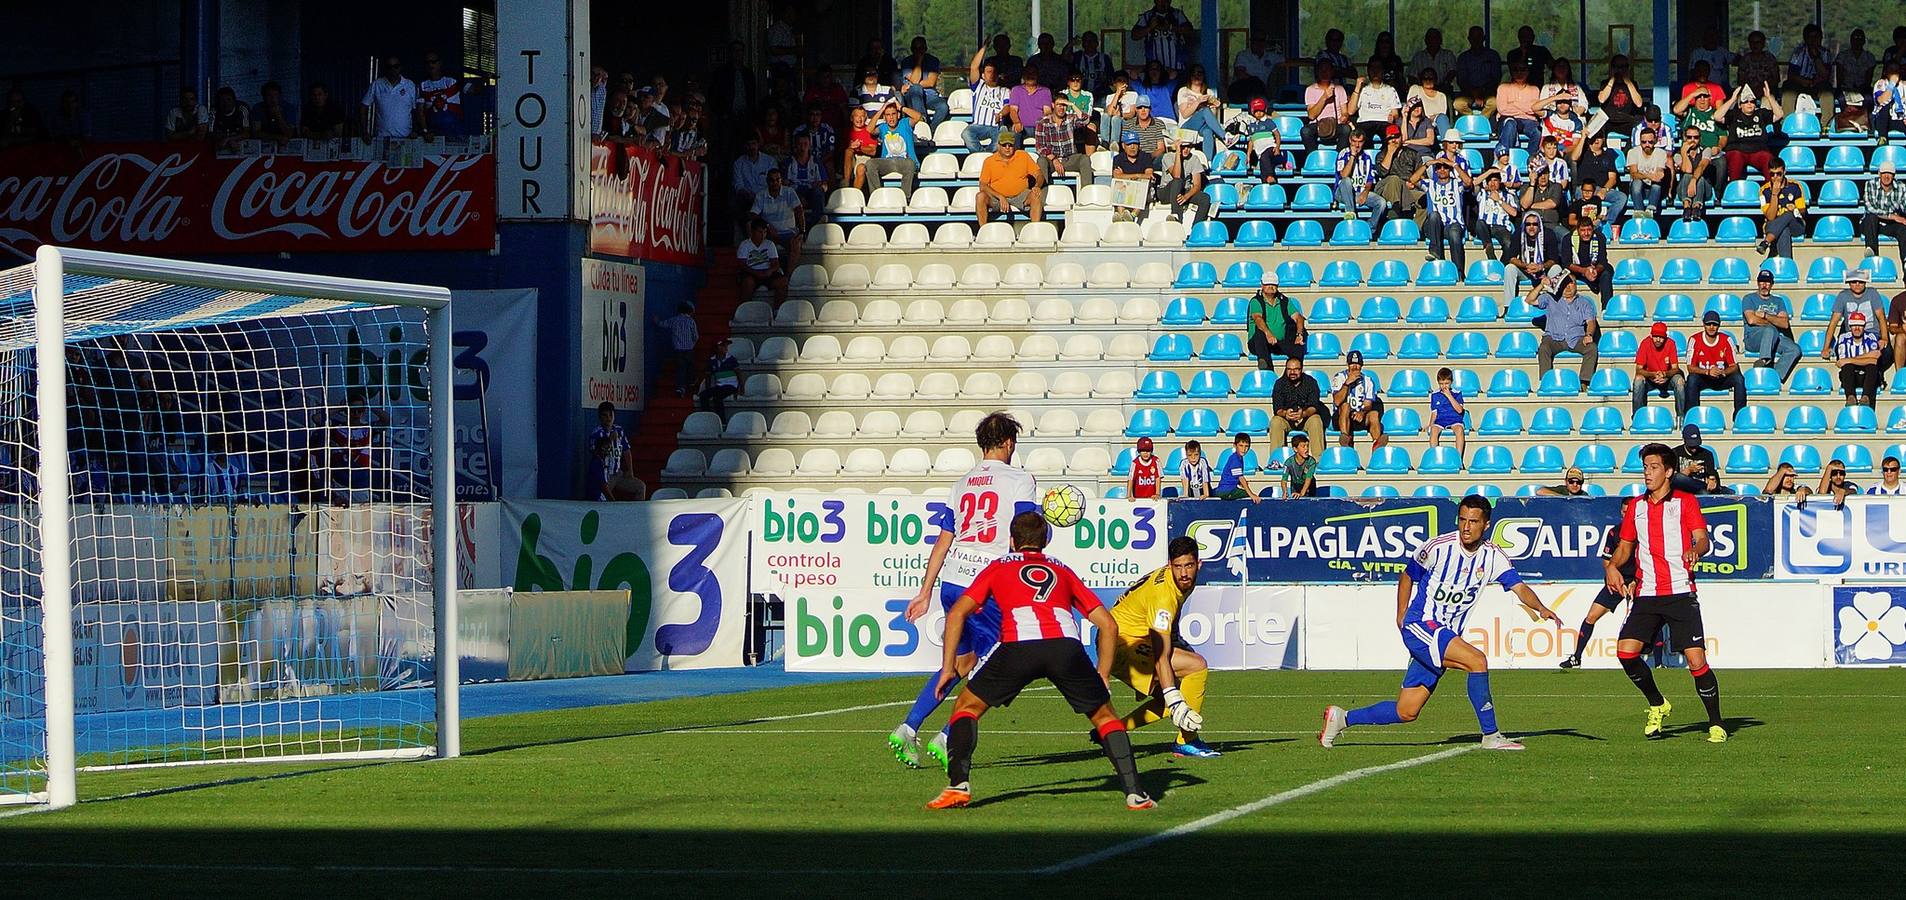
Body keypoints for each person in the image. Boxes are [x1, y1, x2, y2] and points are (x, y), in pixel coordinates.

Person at [927, 512, 1153, 811]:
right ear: (1045, 540)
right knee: (1104, 717)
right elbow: (1108, 625)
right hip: (1065, 648)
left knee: (966, 707)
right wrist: (1103, 673)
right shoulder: (1062, 569)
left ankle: (958, 786)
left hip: (1018, 646)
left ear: (1011, 541)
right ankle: (1135, 793)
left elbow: (957, 613)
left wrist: (947, 668)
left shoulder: (998, 567)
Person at [1320, 495, 1564, 751]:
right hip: (1421, 624)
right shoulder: (1438, 547)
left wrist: (1541, 608)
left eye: (1473, 522)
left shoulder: (1493, 556)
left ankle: (1342, 718)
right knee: (1477, 661)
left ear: (1486, 525)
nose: (1466, 527)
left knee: (1407, 710)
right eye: (1462, 520)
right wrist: (1401, 614)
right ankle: (1491, 735)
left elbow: (1519, 587)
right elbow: (1408, 575)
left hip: (1443, 634)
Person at [892, 413, 1040, 770]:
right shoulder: (1020, 480)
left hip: (954, 580)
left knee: (961, 664)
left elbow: (944, 541)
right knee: (1002, 666)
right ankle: (947, 736)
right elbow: (1022, 533)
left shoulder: (961, 483)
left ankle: (908, 727)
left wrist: (925, 591)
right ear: (1009, 442)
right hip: (987, 585)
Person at [1603, 443, 1728, 743]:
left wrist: (1696, 550)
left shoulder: (1685, 502)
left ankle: (1716, 723)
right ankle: (1657, 704)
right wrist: (1611, 567)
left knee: (1696, 661)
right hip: (1647, 593)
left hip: (1680, 591)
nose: (1647, 473)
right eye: (1645, 468)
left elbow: (1702, 539)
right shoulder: (1636, 507)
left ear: (1669, 471)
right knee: (1626, 652)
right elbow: (1625, 548)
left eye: (1654, 467)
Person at [1105, 537, 1217, 757]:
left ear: (1199, 564)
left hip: (1128, 639)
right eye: (1178, 566)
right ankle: (1187, 741)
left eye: (1189, 565)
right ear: (1169, 565)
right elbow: (1160, 655)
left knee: (1176, 695)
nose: (1183, 573)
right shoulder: (1163, 597)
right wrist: (1174, 698)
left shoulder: (1178, 582)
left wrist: (1172, 695)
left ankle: (1111, 733)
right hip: (1121, 644)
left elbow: (1169, 628)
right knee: (1197, 667)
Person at [1560, 526, 1636, 668]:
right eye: (1623, 514)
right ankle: (1576, 657)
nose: (1625, 515)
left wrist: (1635, 581)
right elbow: (1607, 560)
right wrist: (1612, 579)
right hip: (1616, 582)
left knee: (1648, 616)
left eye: (1628, 513)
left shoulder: (1642, 529)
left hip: (1638, 581)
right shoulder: (1614, 532)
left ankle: (1659, 663)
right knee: (1591, 616)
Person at [1411, 136, 1472, 271]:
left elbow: (1468, 182)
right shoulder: (1430, 184)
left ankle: (1458, 271)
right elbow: (1413, 180)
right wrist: (1428, 164)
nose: (1442, 170)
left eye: (1445, 167)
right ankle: (1436, 253)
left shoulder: (1457, 184)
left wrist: (1454, 165)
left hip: (1453, 224)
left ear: (1450, 170)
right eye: (1439, 167)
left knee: (1454, 235)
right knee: (1433, 215)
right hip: (1435, 226)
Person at [1531, 274, 1600, 383]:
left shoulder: (1584, 303)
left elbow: (1591, 322)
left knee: (1592, 348)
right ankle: (1546, 381)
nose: (1567, 287)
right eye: (1564, 284)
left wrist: (1589, 335)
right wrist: (1541, 285)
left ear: (1576, 285)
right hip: (1554, 338)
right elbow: (1530, 300)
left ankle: (1584, 381)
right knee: (1544, 348)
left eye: (1571, 283)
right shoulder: (1550, 298)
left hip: (1576, 338)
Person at [1684, 311, 1747, 415]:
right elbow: (1690, 367)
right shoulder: (1694, 340)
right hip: (1704, 378)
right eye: (1708, 324)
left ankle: (1740, 415)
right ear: (1703, 324)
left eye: (1715, 324)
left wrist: (1723, 372)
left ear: (1719, 325)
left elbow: (1734, 366)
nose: (1711, 327)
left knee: (1739, 379)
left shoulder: (1727, 340)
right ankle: (1692, 415)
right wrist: (1708, 372)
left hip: (1721, 377)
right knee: (1692, 379)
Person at [1743, 269, 1802, 381]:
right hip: (1753, 338)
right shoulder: (1749, 298)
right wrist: (1774, 321)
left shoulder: (1778, 301)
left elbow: (1784, 324)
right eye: (1762, 282)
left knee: (1795, 349)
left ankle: (1775, 378)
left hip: (1774, 337)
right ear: (1758, 283)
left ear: (1772, 284)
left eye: (1767, 282)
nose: (1764, 285)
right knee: (1770, 329)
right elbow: (1751, 320)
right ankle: (1764, 361)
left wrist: (1765, 315)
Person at [975, 133, 1043, 226]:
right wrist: (1000, 196)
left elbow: (1039, 174)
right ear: (998, 146)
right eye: (1004, 145)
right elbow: (983, 185)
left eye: (1010, 145)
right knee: (980, 197)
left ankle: (1035, 229)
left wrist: (1037, 186)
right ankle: (983, 229)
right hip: (996, 198)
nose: (1007, 148)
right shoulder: (989, 161)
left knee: (1036, 195)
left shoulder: (1023, 156)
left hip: (1020, 195)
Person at [1718, 83, 1780, 183]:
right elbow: (1717, 116)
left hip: (1758, 151)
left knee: (1768, 158)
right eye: (1746, 101)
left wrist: (1769, 97)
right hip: (1738, 150)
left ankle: (1771, 188)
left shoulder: (1761, 113)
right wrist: (1732, 99)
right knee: (1736, 157)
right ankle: (1734, 187)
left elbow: (1779, 115)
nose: (1749, 104)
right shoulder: (1734, 114)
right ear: (1740, 105)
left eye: (1752, 101)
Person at [1331, 350, 1387, 449]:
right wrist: (1347, 383)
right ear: (1348, 365)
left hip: (1359, 417)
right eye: (1352, 364)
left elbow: (1368, 404)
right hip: (1342, 417)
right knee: (1345, 406)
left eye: (1357, 364)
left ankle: (1377, 444)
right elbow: (1337, 401)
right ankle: (1345, 438)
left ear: (1361, 365)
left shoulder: (1368, 381)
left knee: (1374, 414)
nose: (1355, 367)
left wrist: (1362, 412)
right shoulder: (1339, 378)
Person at [1570, 130, 1627, 226]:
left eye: (1599, 137)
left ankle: (1607, 223)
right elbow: (1574, 157)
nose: (1596, 140)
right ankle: (1585, 224)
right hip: (1584, 188)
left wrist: (1604, 189)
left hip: (1601, 188)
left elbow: (1612, 178)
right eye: (1594, 137)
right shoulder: (1583, 152)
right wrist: (1583, 137)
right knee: (1581, 195)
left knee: (1622, 197)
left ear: (1603, 139)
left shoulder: (1608, 155)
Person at [588, 402, 642, 501]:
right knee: (602, 499)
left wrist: (630, 471)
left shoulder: (619, 430)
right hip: (606, 475)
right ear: (600, 417)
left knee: (640, 487)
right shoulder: (596, 433)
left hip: (618, 473)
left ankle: (637, 511)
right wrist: (610, 439)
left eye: (611, 415)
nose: (608, 418)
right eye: (605, 415)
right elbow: (596, 453)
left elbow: (626, 451)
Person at [866, 101, 921, 198]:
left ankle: (905, 198)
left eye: (893, 114)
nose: (891, 117)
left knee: (910, 164)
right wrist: (881, 110)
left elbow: (918, 116)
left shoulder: (905, 123)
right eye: (888, 115)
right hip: (887, 161)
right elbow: (869, 129)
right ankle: (877, 196)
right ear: (884, 117)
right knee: (870, 164)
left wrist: (901, 108)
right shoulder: (883, 127)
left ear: (898, 115)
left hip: (905, 161)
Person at [1031, 100, 1089, 190]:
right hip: (1051, 160)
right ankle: (1042, 193)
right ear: (1053, 105)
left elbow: (1085, 120)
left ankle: (1086, 193)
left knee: (1084, 159)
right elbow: (1040, 147)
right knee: (1041, 161)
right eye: (1059, 105)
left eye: (1064, 105)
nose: (1061, 108)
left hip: (1069, 158)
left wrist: (1072, 105)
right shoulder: (1042, 122)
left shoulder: (1070, 119)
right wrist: (1054, 159)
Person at [1334, 129, 1387, 227]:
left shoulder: (1367, 157)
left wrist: (1365, 192)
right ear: (1350, 140)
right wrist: (1352, 156)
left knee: (1381, 203)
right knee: (1347, 181)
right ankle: (1351, 215)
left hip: (1358, 193)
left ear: (1364, 142)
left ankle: (1370, 229)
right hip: (1342, 192)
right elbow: (1344, 175)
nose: (1357, 145)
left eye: (1360, 142)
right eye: (1354, 141)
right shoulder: (1343, 153)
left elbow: (1370, 180)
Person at [1269, 357, 1324, 451]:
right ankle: (1277, 458)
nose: (1292, 372)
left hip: (1306, 419)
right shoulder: (1279, 384)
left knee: (1316, 420)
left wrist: (1303, 414)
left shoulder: (1311, 382)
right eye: (1289, 369)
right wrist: (1286, 413)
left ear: (1301, 369)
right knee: (1275, 421)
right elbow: (1277, 409)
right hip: (1287, 420)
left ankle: (1318, 458)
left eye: (1295, 369)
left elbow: (1314, 406)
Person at [964, 45, 1012, 152]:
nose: (992, 75)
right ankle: (982, 154)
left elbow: (1007, 106)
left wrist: (1001, 114)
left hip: (996, 126)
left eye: (994, 72)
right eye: (989, 72)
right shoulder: (978, 86)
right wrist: (984, 47)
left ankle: (989, 155)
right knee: (966, 133)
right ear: (983, 75)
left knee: (1002, 136)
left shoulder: (1005, 91)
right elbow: (974, 67)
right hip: (978, 126)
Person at [1833, 311, 1885, 407]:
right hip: (1851, 376)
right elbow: (1842, 363)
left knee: (1872, 367)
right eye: (1854, 325)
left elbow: (1874, 359)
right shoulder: (1843, 338)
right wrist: (1867, 357)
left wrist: (1850, 360)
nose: (1857, 328)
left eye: (1860, 325)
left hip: (1868, 376)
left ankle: (1866, 397)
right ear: (1850, 327)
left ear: (1864, 326)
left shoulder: (1871, 337)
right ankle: (1850, 397)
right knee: (1847, 367)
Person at [1633, 321, 1686, 415]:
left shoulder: (1670, 343)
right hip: (1650, 379)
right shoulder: (1645, 343)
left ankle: (1681, 417)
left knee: (1679, 381)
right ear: (1651, 336)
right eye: (1655, 336)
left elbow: (1675, 368)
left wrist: (1665, 375)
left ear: (1665, 337)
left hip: (1667, 378)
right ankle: (1637, 416)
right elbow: (1639, 369)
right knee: (1638, 380)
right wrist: (1652, 375)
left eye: (1661, 337)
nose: (1658, 340)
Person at [1782, 23, 1836, 114]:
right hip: (1800, 83)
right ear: (1805, 39)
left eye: (1816, 37)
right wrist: (1805, 81)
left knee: (1827, 94)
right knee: (1788, 91)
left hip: (1818, 84)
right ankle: (1787, 120)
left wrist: (1816, 57)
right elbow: (1791, 75)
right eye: (1810, 37)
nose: (1813, 40)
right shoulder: (1798, 53)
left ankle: (1826, 122)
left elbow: (1825, 75)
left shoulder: (1825, 53)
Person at [361, 56, 420, 138]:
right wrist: (364, 132)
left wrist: (415, 131)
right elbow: (363, 107)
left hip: (406, 139)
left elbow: (416, 111)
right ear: (385, 68)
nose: (393, 70)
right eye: (389, 67)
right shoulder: (377, 84)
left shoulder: (410, 85)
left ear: (400, 67)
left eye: (396, 66)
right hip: (382, 139)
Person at [1758, 159, 1806, 259]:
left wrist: (1795, 209)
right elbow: (1770, 217)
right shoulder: (1764, 190)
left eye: (1778, 174)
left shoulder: (1795, 186)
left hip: (1796, 224)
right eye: (1772, 174)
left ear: (1784, 172)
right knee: (1784, 230)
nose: (1775, 177)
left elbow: (1802, 211)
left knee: (1788, 214)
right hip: (1772, 226)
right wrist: (1774, 194)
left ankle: (1766, 242)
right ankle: (1787, 264)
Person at [895, 37, 948, 128]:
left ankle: (930, 130)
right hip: (912, 95)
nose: (918, 51)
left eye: (921, 48)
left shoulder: (933, 61)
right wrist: (919, 62)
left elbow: (931, 82)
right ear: (912, 49)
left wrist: (910, 85)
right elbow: (915, 81)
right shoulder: (906, 62)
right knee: (916, 89)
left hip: (929, 96)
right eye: (915, 48)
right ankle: (922, 121)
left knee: (943, 107)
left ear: (925, 48)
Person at [1161, 134, 1213, 223]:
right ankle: (1175, 214)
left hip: (1184, 191)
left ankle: (1196, 227)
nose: (1186, 149)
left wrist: (1186, 197)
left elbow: (1197, 185)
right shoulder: (1168, 157)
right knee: (1177, 181)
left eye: (1188, 147)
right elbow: (1176, 175)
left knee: (1205, 198)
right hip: (1167, 192)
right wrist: (1178, 153)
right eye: (1183, 147)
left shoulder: (1194, 159)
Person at [736, 218, 789, 305]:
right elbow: (742, 265)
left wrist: (770, 271)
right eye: (760, 232)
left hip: (767, 273)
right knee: (748, 282)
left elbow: (776, 264)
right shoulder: (745, 245)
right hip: (751, 273)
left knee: (783, 282)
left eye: (765, 232)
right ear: (753, 232)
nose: (763, 235)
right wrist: (756, 272)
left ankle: (777, 309)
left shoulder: (770, 244)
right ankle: (745, 307)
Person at [651, 302, 699, 397]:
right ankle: (691, 381)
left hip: (678, 350)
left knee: (681, 369)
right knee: (690, 366)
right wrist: (692, 344)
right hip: (689, 349)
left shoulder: (674, 320)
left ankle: (680, 388)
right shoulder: (691, 321)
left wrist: (656, 320)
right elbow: (696, 336)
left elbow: (662, 324)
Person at [1174, 70, 1225, 159]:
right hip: (1187, 125)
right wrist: (1198, 102)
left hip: (1203, 126)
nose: (1197, 76)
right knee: (1204, 110)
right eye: (1194, 74)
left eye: (1199, 73)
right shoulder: (1184, 91)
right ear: (1190, 76)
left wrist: (1213, 107)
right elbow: (1185, 114)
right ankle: (1225, 137)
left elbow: (1212, 119)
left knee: (1208, 131)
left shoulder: (1209, 92)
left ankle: (1207, 161)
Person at [1863, 162, 1906, 266]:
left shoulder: (1901, 187)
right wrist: (1891, 216)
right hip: (1873, 223)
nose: (1886, 176)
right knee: (1871, 217)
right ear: (1879, 174)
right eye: (1884, 173)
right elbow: (1870, 208)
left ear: (1894, 175)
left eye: (1889, 173)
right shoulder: (1870, 184)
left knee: (1903, 227)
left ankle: (1905, 260)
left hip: (1891, 224)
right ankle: (1872, 253)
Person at [1452, 26, 1501, 117]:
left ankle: (1482, 121)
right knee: (1458, 104)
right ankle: (1472, 120)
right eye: (1473, 38)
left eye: (1479, 37)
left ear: (1484, 38)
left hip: (1488, 94)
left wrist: (1482, 92)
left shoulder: (1493, 56)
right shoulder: (1463, 57)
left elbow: (1496, 78)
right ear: (1469, 39)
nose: (1476, 40)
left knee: (1494, 103)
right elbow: (1461, 80)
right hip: (1468, 94)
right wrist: (1474, 93)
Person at [1133, 0, 1193, 74]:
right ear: (1155, 1)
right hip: (1155, 70)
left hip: (1177, 67)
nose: (1163, 2)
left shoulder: (1177, 14)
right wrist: (1150, 27)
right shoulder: (1148, 16)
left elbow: (1190, 31)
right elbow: (1134, 35)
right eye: (1160, 0)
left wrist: (1170, 27)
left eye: (1166, 0)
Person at [1495, 63, 1543, 157]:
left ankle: (1529, 159)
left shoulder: (1534, 89)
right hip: (1508, 119)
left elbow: (1534, 109)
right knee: (1510, 124)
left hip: (1528, 121)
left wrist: (1513, 104)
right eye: (1516, 70)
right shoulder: (1503, 88)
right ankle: (1505, 158)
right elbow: (1502, 109)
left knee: (1538, 132)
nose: (1519, 73)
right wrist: (1526, 108)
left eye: (1522, 70)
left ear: (1527, 72)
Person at [1563, 216, 1612, 305]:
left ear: (1593, 229)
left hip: (1594, 268)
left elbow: (1603, 261)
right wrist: (1584, 271)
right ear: (1577, 230)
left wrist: (1595, 271)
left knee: (1606, 273)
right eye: (1582, 230)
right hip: (1577, 270)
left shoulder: (1600, 237)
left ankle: (1606, 307)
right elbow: (1567, 263)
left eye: (1589, 230)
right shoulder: (1568, 238)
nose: (1586, 233)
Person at [1302, 61, 1349, 152]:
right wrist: (1324, 97)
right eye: (1321, 69)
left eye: (1327, 69)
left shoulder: (1339, 89)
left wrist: (1344, 117)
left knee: (1346, 129)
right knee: (1305, 131)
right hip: (1318, 124)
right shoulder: (1310, 89)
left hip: (1336, 123)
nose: (1324, 72)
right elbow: (1311, 116)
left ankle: (1340, 156)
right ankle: (1313, 156)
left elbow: (1345, 112)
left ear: (1332, 72)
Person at [1348, 63, 1402, 145]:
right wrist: (1357, 86)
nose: (1375, 71)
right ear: (1368, 71)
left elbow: (1395, 113)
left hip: (1384, 122)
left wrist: (1393, 116)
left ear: (1383, 71)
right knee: (1362, 139)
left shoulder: (1390, 90)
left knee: (1390, 139)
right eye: (1372, 69)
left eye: (1378, 68)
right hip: (1365, 122)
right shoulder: (1363, 89)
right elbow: (1350, 111)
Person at [1505, 211, 1560, 289]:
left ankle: (1554, 296)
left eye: (1535, 224)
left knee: (1557, 268)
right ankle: (1509, 298)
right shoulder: (1518, 234)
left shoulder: (1549, 234)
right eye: (1528, 224)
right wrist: (1526, 265)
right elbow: (1512, 258)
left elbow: (1553, 260)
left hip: (1544, 271)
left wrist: (1540, 267)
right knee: (1509, 268)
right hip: (1525, 270)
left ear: (1539, 225)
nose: (1531, 227)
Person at [1423, 366, 1468, 459]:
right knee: (1433, 430)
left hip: (1455, 420)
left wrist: (1449, 396)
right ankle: (1435, 457)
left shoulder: (1457, 393)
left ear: (1451, 382)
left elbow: (1459, 410)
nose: (1444, 386)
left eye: (1447, 383)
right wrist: (1430, 424)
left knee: (1459, 430)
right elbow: (1434, 412)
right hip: (1440, 420)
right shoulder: (1435, 395)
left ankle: (1458, 458)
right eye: (1441, 384)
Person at [1626, 127, 1671, 217]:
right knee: (1636, 183)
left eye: (1650, 142)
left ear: (1655, 141)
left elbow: (1659, 175)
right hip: (1639, 189)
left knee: (1656, 184)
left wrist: (1646, 175)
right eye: (1644, 142)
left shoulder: (1661, 153)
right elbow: (1634, 174)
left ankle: (1650, 210)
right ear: (1640, 141)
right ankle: (1639, 211)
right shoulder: (1633, 152)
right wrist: (1650, 176)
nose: (1647, 145)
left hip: (1654, 189)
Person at [1475, 169, 1520, 260]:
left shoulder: (1508, 196)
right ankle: (1489, 247)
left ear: (1500, 182)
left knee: (1509, 244)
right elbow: (1474, 183)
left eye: (1495, 180)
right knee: (1480, 223)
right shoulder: (1482, 193)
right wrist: (1490, 171)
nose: (1492, 183)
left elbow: (1514, 213)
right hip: (1485, 226)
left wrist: (1499, 200)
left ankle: (1501, 265)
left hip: (1500, 227)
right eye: (1490, 181)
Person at [1597, 55, 1645, 136]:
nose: (1620, 70)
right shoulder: (1605, 83)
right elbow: (1602, 99)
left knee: (1638, 130)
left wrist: (1628, 83)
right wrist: (1612, 80)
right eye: (1617, 67)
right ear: (1612, 68)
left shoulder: (1632, 84)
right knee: (1598, 129)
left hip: (1626, 120)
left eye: (1624, 67)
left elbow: (1639, 103)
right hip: (1609, 120)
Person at [697, 339, 740, 417]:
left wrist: (740, 388)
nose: (726, 347)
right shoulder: (712, 361)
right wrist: (708, 389)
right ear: (716, 348)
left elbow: (739, 374)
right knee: (703, 395)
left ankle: (721, 420)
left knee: (717, 398)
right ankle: (707, 416)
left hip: (731, 385)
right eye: (723, 346)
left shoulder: (731, 359)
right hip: (719, 386)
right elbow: (708, 376)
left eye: (726, 345)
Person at [1673, 423, 1720, 493]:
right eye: (1691, 446)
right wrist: (1689, 470)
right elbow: (1674, 480)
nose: (1694, 449)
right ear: (1684, 440)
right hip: (1682, 489)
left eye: (1696, 445)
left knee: (1705, 493)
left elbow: (1712, 474)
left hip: (1701, 489)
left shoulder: (1707, 454)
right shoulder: (1675, 453)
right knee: (1677, 477)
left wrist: (1712, 481)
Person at [1213, 433, 1258, 500]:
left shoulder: (1239, 458)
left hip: (1229, 488)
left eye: (1246, 446)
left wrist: (1240, 483)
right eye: (1241, 445)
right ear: (1235, 445)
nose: (1243, 449)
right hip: (1227, 490)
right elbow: (1241, 478)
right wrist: (1251, 494)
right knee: (1247, 494)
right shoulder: (1235, 459)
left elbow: (1235, 476)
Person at [1282, 431, 1320, 497]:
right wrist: (1285, 491)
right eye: (1303, 446)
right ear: (1295, 449)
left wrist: (1302, 494)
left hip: (1309, 490)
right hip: (1295, 489)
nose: (1306, 449)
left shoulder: (1311, 462)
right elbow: (1284, 480)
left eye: (1307, 446)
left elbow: (1308, 478)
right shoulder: (1288, 463)